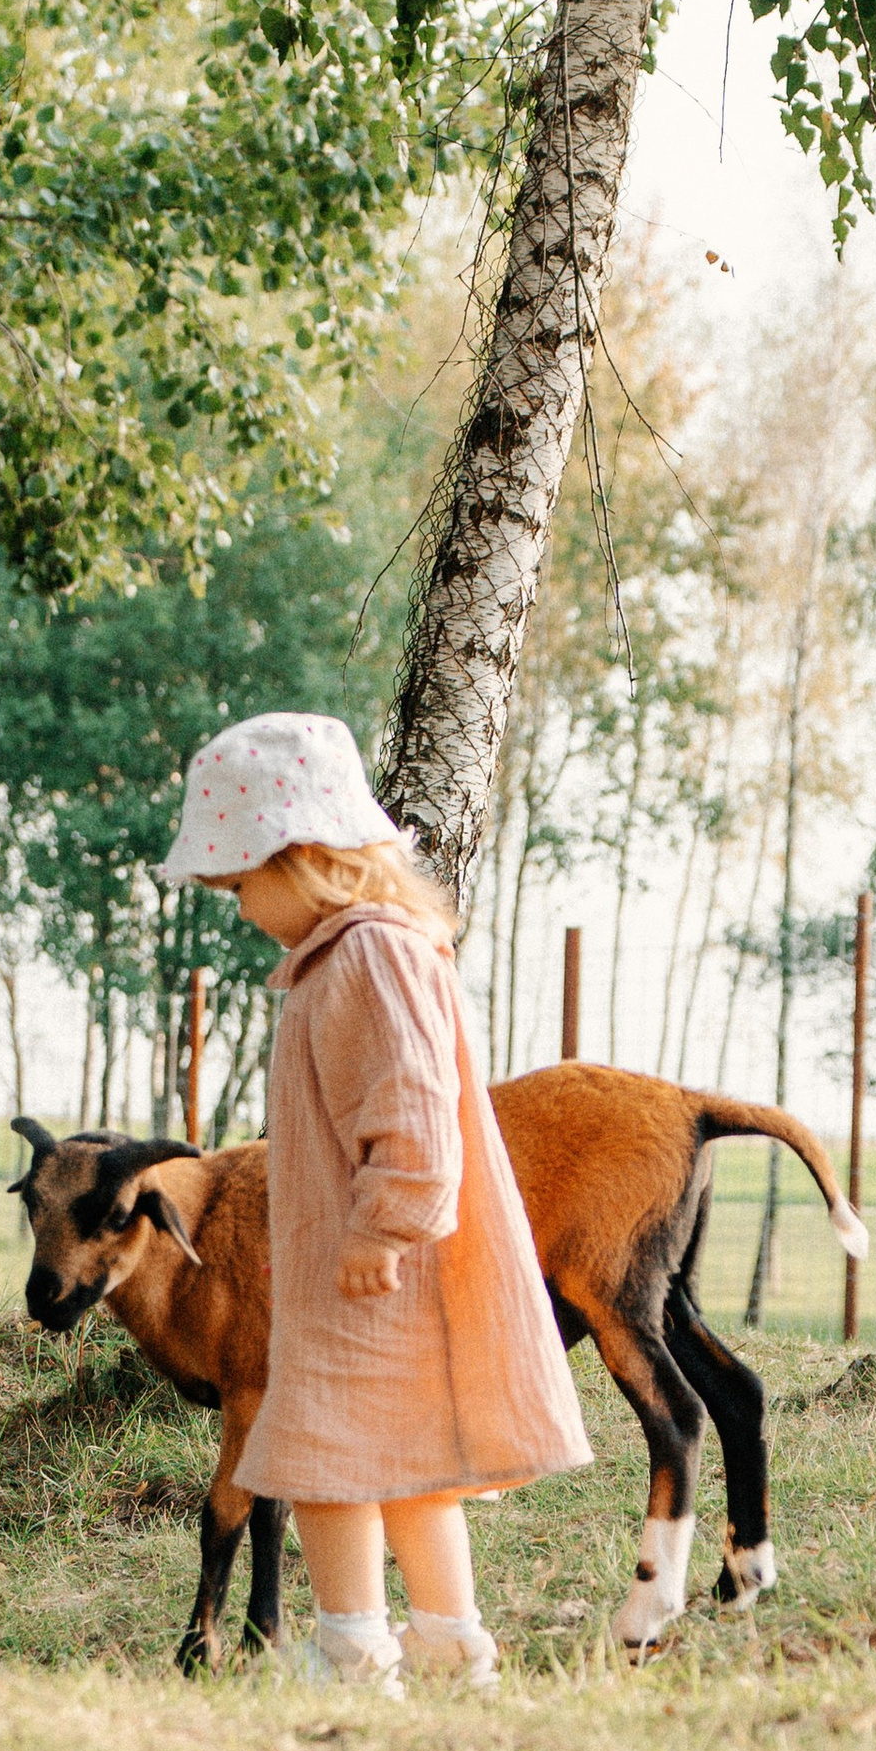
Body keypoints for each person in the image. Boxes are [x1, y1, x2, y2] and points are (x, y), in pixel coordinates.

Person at [160, 710, 592, 1694]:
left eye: (239, 885)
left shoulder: (368, 956)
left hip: (381, 1270)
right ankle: (450, 1645)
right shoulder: (350, 958)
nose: (237, 909)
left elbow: (410, 1102)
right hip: (356, 1265)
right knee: (406, 1462)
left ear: (303, 857)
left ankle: (353, 1652)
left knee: (319, 1456)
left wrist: (379, 1227)